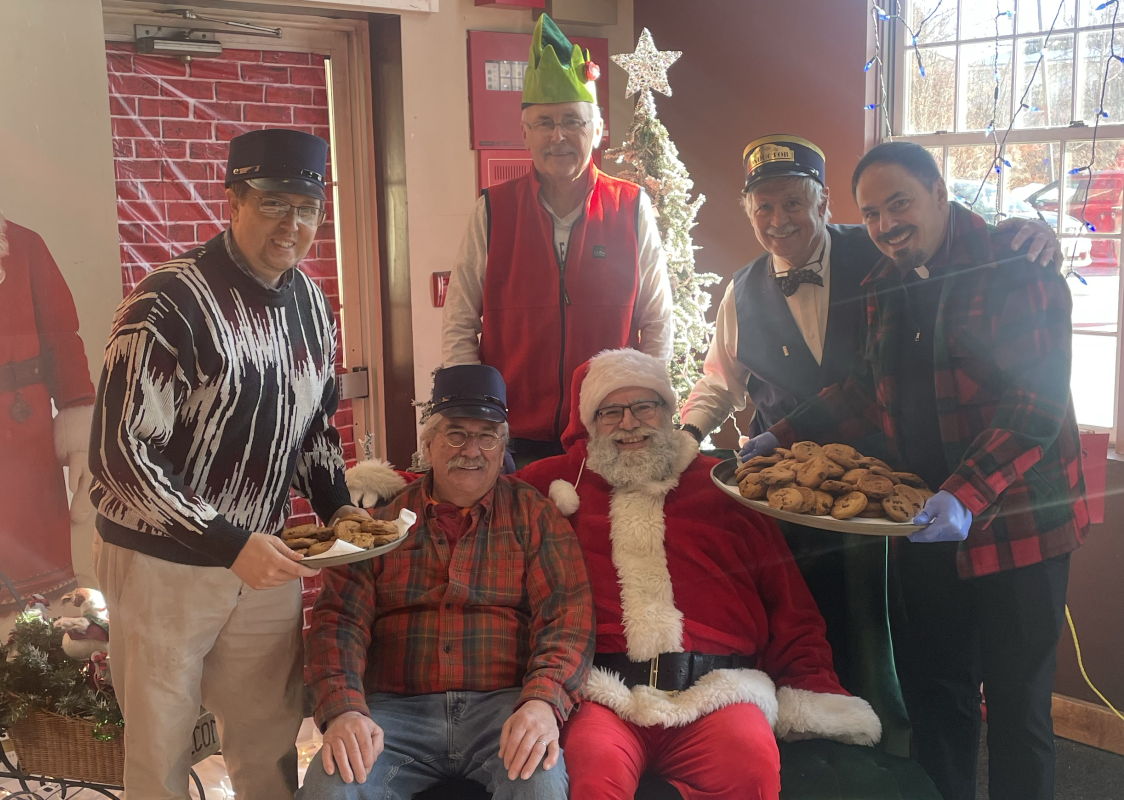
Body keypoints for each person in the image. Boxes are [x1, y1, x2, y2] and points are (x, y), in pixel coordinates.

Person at [761, 141, 1089, 800]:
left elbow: (1036, 404)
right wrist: (781, 434)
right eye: (873, 212)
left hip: (1017, 530)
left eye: (900, 203)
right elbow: (861, 391)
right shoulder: (881, 283)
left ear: (941, 192)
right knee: (939, 699)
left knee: (1019, 711)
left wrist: (965, 496)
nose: (886, 225)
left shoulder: (1017, 270)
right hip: (923, 530)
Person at [89, 128, 365, 799]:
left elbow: (314, 428)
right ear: (234, 200)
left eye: (307, 208)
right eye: (273, 204)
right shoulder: (168, 300)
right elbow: (119, 453)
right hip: (161, 564)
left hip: (264, 562)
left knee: (269, 744)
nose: (291, 225)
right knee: (160, 751)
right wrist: (226, 541)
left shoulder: (310, 303)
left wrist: (340, 510)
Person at [516, 349, 883, 800]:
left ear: (669, 413)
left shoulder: (726, 487)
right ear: (591, 424)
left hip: (718, 693)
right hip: (602, 694)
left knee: (750, 769)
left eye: (644, 406)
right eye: (610, 411)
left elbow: (788, 603)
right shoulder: (553, 486)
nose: (628, 423)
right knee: (592, 777)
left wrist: (811, 685)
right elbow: (469, 487)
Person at [303, 364, 594, 799]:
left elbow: (568, 617)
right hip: (393, 715)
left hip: (503, 708)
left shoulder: (535, 516)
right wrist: (344, 709)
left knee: (540, 784)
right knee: (330, 788)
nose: (471, 450)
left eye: (487, 435)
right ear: (429, 444)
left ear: (503, 447)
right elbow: (338, 621)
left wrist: (542, 701)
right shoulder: (380, 524)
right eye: (456, 434)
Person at [696, 135, 1060, 455]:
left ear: (822, 204)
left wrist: (1024, 236)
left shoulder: (889, 255)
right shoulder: (742, 292)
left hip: (899, 479)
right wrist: (700, 434)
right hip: (787, 473)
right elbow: (721, 383)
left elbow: (1033, 403)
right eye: (764, 207)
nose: (778, 220)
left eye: (793, 203)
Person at [442, 14, 672, 467]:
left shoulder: (631, 207)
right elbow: (460, 322)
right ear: (525, 132)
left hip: (608, 434)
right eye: (544, 122)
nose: (558, 135)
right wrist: (475, 417)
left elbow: (658, 322)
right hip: (511, 438)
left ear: (598, 129)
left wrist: (643, 412)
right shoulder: (493, 210)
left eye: (572, 120)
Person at [0, 210, 94, 608]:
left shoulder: (24, 245)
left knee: (38, 586)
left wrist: (80, 438)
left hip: (24, 432)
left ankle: (44, 663)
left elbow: (62, 337)